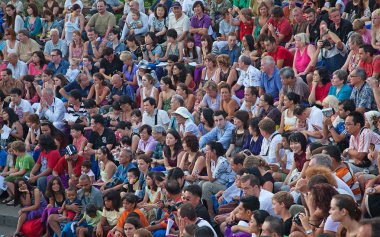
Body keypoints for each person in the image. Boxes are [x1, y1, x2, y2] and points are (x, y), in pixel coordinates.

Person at [199, 141, 235, 218]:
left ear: (214, 151)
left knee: (206, 186)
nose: (205, 152)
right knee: (200, 184)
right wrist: (199, 177)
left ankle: (211, 212)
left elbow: (211, 179)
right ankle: (202, 209)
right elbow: (210, 176)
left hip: (228, 186)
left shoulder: (222, 162)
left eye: (207, 150)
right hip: (219, 183)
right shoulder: (213, 161)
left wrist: (207, 164)